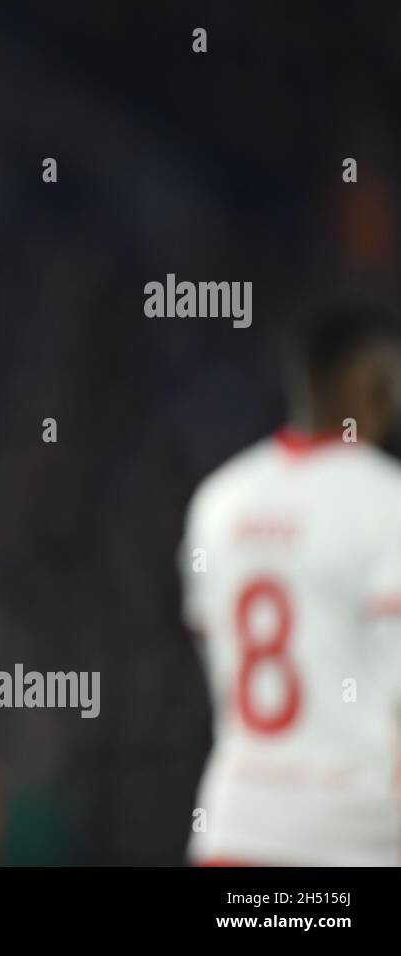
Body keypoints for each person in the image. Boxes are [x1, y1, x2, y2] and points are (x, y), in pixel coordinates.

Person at [180, 302, 401, 866]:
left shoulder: (219, 500)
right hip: (357, 831)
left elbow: (216, 660)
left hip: (238, 824)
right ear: (369, 382)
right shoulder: (386, 502)